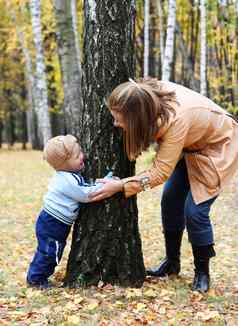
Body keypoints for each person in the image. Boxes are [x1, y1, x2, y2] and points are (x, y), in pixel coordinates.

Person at [90, 77, 238, 293]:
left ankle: (202, 272)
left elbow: (159, 173)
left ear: (136, 118)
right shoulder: (143, 95)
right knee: (170, 201)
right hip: (191, 146)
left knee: (195, 212)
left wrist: (121, 186)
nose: (115, 124)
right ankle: (172, 263)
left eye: (119, 120)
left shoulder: (176, 120)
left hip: (218, 146)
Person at [27, 134, 110, 289]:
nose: (83, 156)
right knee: (50, 253)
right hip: (52, 223)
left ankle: (37, 276)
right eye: (77, 155)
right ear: (64, 163)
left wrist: (100, 181)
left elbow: (84, 186)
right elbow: (86, 194)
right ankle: (36, 279)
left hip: (52, 221)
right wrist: (107, 186)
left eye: (80, 152)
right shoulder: (66, 181)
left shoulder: (69, 175)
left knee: (51, 251)